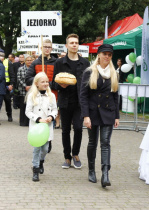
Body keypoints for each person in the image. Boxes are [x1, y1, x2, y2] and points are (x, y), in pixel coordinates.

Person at [80, 44, 120, 188]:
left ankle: (105, 173)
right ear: (99, 55)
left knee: (105, 143)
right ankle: (91, 170)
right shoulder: (89, 72)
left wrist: (117, 116)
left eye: (109, 55)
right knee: (92, 142)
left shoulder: (114, 73)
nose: (107, 57)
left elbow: (116, 96)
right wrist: (85, 116)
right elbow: (83, 96)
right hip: (92, 113)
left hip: (108, 112)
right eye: (105, 54)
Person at [52, 33, 90, 169]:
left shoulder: (85, 63)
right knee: (65, 130)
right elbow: (53, 83)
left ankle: (76, 154)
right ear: (67, 45)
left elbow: (88, 83)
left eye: (76, 42)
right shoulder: (59, 62)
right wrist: (60, 85)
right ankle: (67, 157)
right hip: (65, 101)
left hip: (80, 102)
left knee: (79, 128)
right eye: (71, 43)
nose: (74, 45)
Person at [26, 39, 58, 153]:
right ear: (41, 48)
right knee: (40, 118)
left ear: (51, 48)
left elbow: (58, 79)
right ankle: (39, 139)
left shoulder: (56, 62)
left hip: (52, 95)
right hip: (38, 96)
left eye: (49, 47)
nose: (47, 49)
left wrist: (50, 83)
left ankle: (48, 140)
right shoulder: (35, 63)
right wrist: (39, 81)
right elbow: (28, 78)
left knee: (50, 118)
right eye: (45, 46)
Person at [25, 72, 58, 182]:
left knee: (45, 149)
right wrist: (38, 119)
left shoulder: (51, 95)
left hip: (47, 126)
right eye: (42, 82)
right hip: (36, 127)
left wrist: (51, 117)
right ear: (36, 83)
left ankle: (41, 161)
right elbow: (28, 112)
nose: (45, 84)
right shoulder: (32, 96)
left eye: (47, 82)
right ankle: (35, 169)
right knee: (36, 149)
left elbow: (55, 109)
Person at [17, 55, 32, 126]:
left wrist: (31, 87)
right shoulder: (20, 69)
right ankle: (22, 122)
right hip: (23, 90)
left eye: (30, 60)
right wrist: (25, 86)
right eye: (28, 60)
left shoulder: (33, 69)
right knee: (23, 106)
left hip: (32, 90)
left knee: (30, 106)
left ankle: (29, 122)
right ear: (25, 61)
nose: (29, 62)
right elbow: (19, 79)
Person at [1, 49, 15, 122]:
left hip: (6, 85)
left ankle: (9, 115)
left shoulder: (8, 63)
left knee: (7, 101)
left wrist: (11, 85)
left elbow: (12, 75)